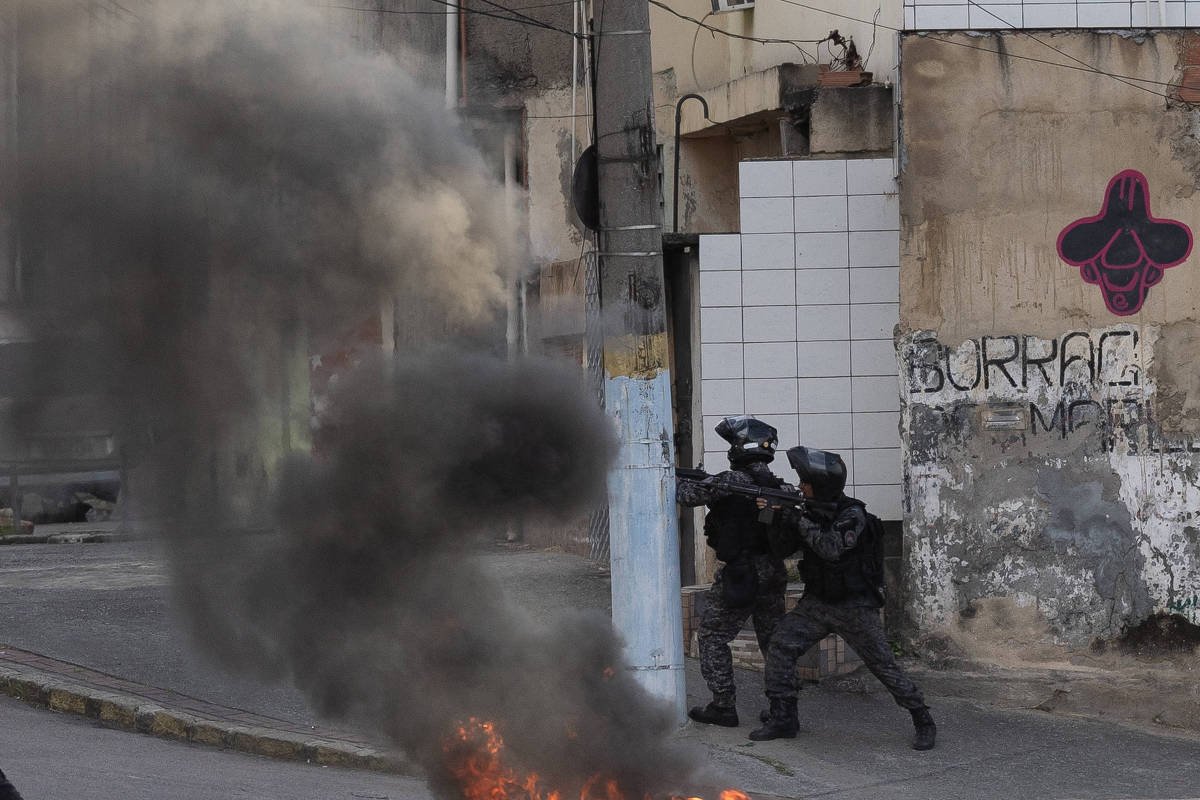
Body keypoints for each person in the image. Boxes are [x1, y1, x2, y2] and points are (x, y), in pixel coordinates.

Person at [748, 445, 937, 751]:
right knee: (781, 645)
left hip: (855, 606)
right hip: (818, 602)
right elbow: (782, 550)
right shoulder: (808, 511)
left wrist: (796, 518)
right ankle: (783, 717)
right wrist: (772, 516)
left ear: (821, 484)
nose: (800, 487)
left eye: (805, 483)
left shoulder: (853, 514)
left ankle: (922, 719)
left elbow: (831, 548)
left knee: (883, 665)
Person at [676, 415, 791, 727]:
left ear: (740, 450)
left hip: (742, 572)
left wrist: (675, 480)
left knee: (713, 635)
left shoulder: (732, 482)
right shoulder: (780, 487)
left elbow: (685, 497)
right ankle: (783, 710)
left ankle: (723, 705)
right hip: (773, 572)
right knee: (773, 640)